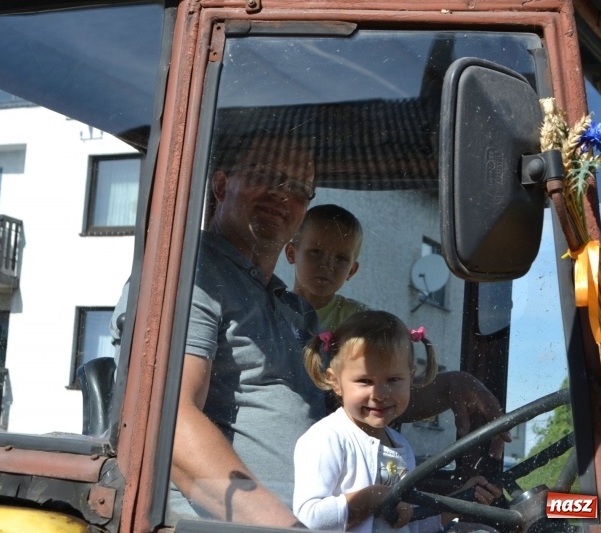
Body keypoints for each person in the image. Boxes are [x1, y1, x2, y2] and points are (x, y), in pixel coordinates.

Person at [169, 133, 508, 529]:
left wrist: (451, 387)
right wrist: (292, 529)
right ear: (222, 184)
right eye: (266, 175)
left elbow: (359, 399)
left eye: (298, 188)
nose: (282, 195)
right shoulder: (191, 276)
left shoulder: (291, 308)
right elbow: (172, 422)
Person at [294, 311, 501, 533]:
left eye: (393, 379)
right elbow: (309, 518)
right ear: (335, 382)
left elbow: (407, 524)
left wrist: (456, 505)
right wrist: (376, 497)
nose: (380, 393)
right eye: (365, 381)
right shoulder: (326, 439)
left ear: (411, 378)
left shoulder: (401, 447)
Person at [285, 204, 370, 330]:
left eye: (341, 258)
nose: (327, 265)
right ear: (291, 254)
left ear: (351, 271)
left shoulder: (359, 319)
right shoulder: (272, 307)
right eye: (316, 252)